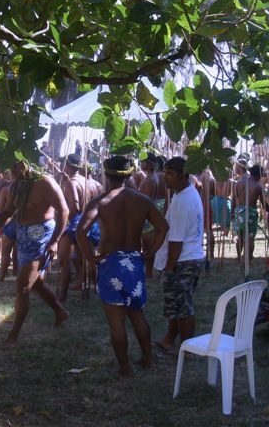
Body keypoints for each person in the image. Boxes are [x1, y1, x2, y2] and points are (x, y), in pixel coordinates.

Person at [76, 155, 168, 377]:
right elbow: (163, 227)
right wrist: (150, 253)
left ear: (107, 175)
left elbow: (80, 231)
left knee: (116, 320)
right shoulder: (142, 201)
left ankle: (125, 367)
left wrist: (90, 257)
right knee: (137, 315)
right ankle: (147, 360)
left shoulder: (101, 202)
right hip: (134, 262)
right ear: (129, 176)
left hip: (109, 262)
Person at [0, 160, 69, 347]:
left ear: (24, 164)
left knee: (23, 285)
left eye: (13, 166)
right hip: (23, 233)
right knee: (35, 283)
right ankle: (60, 311)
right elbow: (7, 212)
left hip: (41, 235)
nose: (9, 170)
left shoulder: (45, 182)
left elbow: (64, 210)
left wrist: (54, 242)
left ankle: (13, 334)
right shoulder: (17, 185)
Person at [153, 156, 205, 356]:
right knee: (177, 303)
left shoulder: (183, 200)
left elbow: (176, 240)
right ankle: (169, 339)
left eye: (170, 174)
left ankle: (186, 347)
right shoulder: (185, 193)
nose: (166, 178)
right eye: (165, 173)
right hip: (189, 258)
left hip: (183, 260)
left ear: (184, 176)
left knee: (183, 307)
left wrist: (169, 265)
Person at [57, 154, 87, 303]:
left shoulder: (72, 183)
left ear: (67, 166)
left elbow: (74, 206)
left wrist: (64, 219)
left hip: (74, 223)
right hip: (88, 222)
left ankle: (62, 294)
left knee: (64, 260)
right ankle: (86, 287)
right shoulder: (87, 181)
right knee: (84, 257)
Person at [232, 164, 265, 269]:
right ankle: (248, 259)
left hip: (239, 212)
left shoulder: (238, 183)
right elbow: (264, 204)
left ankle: (238, 258)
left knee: (240, 236)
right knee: (250, 238)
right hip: (251, 212)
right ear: (258, 175)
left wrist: (232, 213)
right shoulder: (257, 186)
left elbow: (234, 200)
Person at [140, 153, 163, 279]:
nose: (141, 163)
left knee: (148, 244)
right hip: (153, 211)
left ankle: (148, 272)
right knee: (149, 244)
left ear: (150, 164)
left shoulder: (150, 179)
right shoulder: (153, 177)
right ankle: (148, 271)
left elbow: (147, 200)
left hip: (149, 213)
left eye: (143, 161)